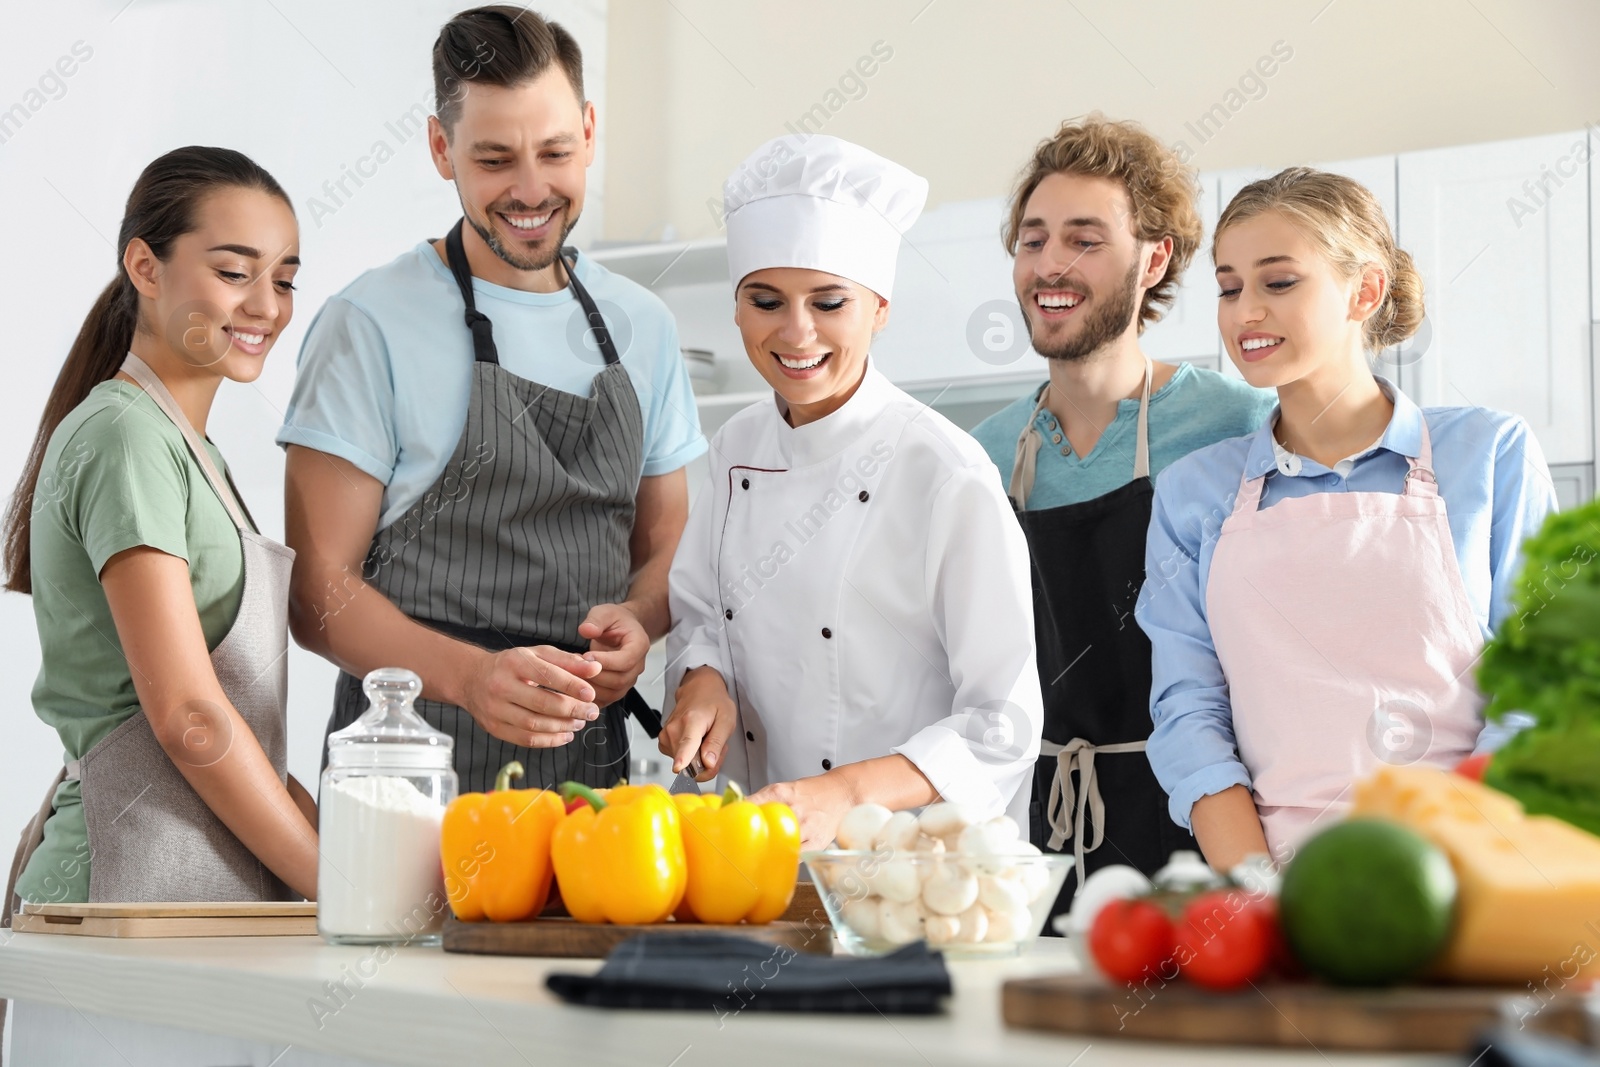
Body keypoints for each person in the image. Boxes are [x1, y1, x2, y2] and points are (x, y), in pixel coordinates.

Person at [280, 6, 704, 793]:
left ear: (589, 129)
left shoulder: (643, 326)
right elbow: (317, 593)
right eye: (496, 159)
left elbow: (667, 541)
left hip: (591, 772)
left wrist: (640, 621)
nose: (532, 189)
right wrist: (475, 679)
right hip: (409, 772)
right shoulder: (369, 323)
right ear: (442, 150)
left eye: (555, 152)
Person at [1137, 167, 1558, 870]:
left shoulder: (1489, 454)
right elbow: (1189, 717)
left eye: (1278, 283)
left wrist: (1454, 875)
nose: (1244, 312)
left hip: (1477, 866)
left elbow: (1540, 688)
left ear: (1364, 291)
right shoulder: (1193, 493)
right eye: (1229, 286)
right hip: (1279, 879)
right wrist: (1256, 893)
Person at [659, 134, 1043, 849]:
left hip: (904, 866)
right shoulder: (737, 445)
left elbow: (1003, 722)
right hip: (749, 856)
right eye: (765, 300)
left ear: (880, 308)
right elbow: (701, 613)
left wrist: (847, 792)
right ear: (737, 311)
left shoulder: (943, 470)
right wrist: (704, 677)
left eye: (829, 301)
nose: (796, 331)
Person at [968, 116, 1275, 906]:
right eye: (1032, 240)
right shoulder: (982, 455)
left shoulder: (1239, 426)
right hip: (1025, 839)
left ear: (1154, 259)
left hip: (1194, 821)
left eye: (1084, 239)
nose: (1050, 265)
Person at [3, 147, 317, 915]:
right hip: (122, 885)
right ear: (145, 266)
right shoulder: (125, 436)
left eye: (283, 279)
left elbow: (240, 718)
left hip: (192, 890)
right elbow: (189, 716)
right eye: (235, 273)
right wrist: (338, 887)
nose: (267, 307)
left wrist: (350, 861)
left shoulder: (188, 447)